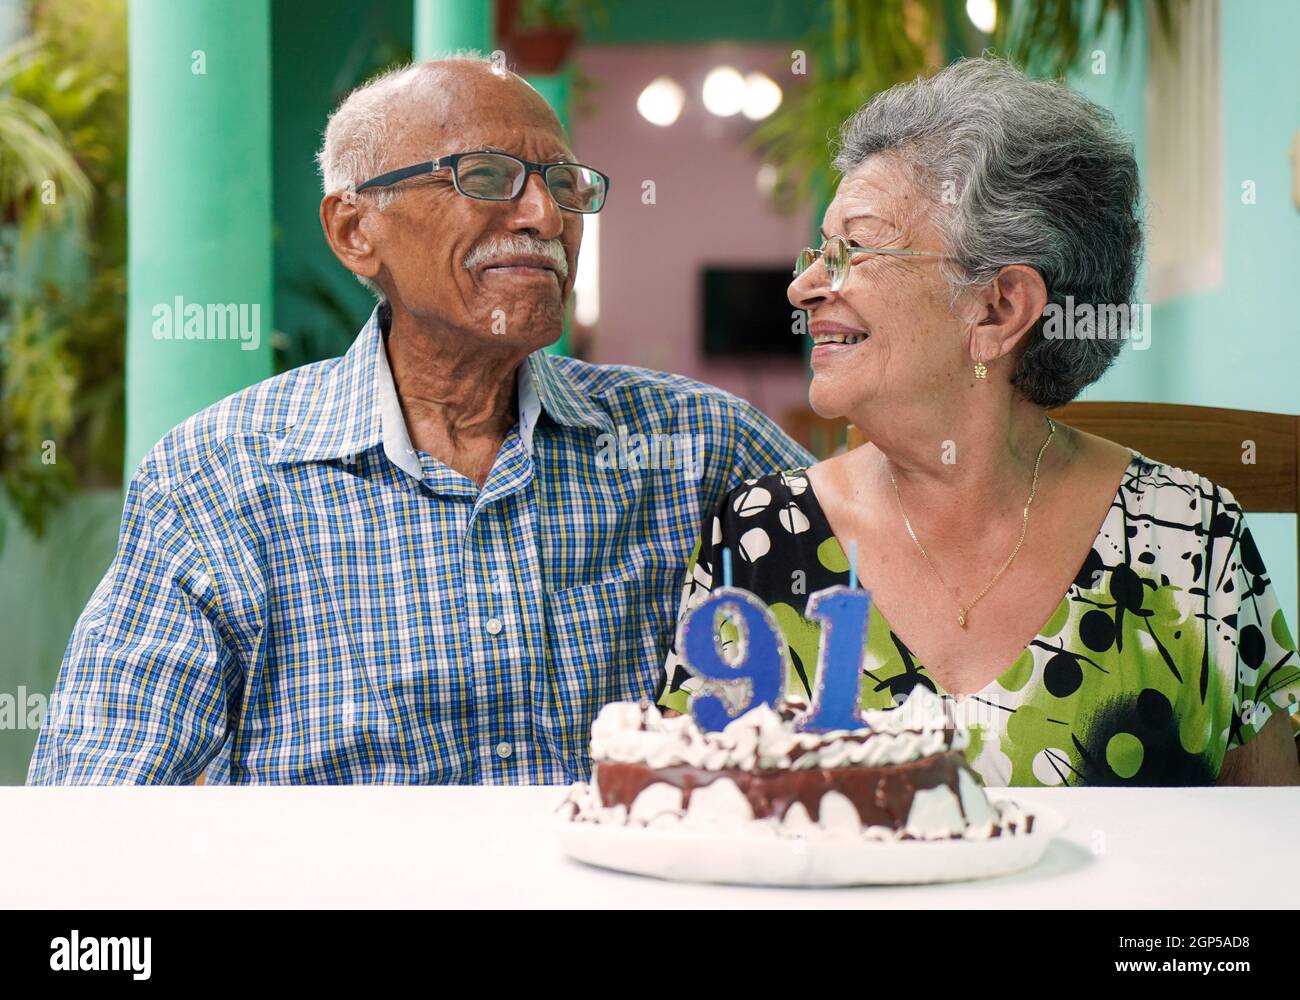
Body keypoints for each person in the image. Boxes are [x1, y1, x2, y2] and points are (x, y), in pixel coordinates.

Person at [28, 55, 810, 785]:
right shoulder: (221, 476)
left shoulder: (701, 447)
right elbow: (100, 799)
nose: (544, 214)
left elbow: (882, 677)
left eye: (564, 183)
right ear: (354, 231)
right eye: (486, 176)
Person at [658, 58, 1300, 786]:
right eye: (818, 252)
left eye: (855, 249)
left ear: (999, 309)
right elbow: (701, 820)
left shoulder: (1191, 538)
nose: (803, 287)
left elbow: (1276, 846)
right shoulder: (757, 534)